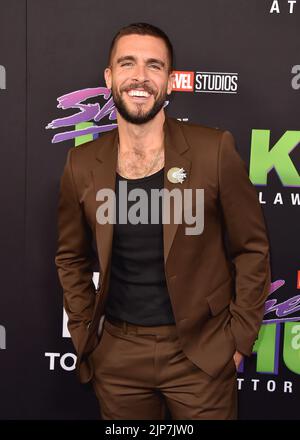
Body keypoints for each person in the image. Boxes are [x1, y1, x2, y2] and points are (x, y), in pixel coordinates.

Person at [55, 22, 271, 420]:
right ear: (110, 78)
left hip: (201, 354)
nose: (140, 76)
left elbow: (252, 249)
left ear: (170, 82)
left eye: (154, 66)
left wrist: (239, 340)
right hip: (117, 356)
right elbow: (71, 258)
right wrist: (85, 332)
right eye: (128, 64)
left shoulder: (214, 151)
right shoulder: (81, 163)